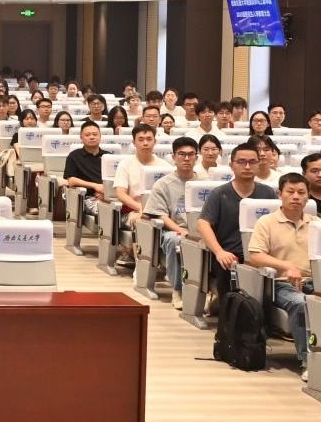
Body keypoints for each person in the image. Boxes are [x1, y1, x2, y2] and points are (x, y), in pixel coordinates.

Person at [244, 173, 314, 371]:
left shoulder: (318, 224)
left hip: (313, 282)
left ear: (308, 196)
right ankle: (309, 362)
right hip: (280, 283)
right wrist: (286, 266)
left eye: (301, 192)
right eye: (290, 192)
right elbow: (255, 256)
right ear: (279, 194)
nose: (296, 197)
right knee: (301, 303)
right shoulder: (266, 222)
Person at [196, 143, 277, 294]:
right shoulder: (219, 194)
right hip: (230, 255)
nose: (247, 166)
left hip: (261, 255)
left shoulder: (268, 193)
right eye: (241, 162)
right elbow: (203, 224)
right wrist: (219, 252)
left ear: (259, 164)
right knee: (226, 267)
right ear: (231, 165)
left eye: (252, 162)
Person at [142, 137, 203, 304]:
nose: (186, 158)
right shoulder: (163, 184)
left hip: (201, 230)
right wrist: (180, 230)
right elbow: (161, 215)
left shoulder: (204, 182)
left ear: (196, 157)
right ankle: (178, 290)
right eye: (182, 154)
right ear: (174, 157)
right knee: (175, 240)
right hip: (173, 229)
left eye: (191, 154)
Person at [113, 124, 158, 216]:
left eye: (149, 139)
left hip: (159, 211)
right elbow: (121, 193)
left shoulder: (165, 166)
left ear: (155, 141)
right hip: (134, 210)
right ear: (133, 142)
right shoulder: (125, 164)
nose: (145, 143)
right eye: (141, 140)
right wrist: (141, 208)